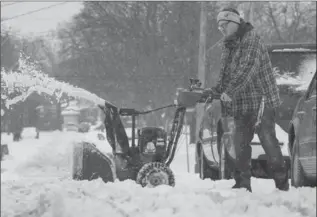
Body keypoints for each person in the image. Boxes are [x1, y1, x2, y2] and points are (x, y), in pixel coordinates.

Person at [211, 8, 289, 192]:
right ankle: (243, 185)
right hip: (242, 103)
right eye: (219, 27)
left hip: (262, 100)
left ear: (234, 23)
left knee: (268, 141)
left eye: (224, 25)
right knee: (240, 143)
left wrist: (230, 91)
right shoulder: (228, 45)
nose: (222, 30)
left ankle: (282, 183)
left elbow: (247, 70)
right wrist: (216, 90)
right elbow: (225, 74)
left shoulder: (252, 39)